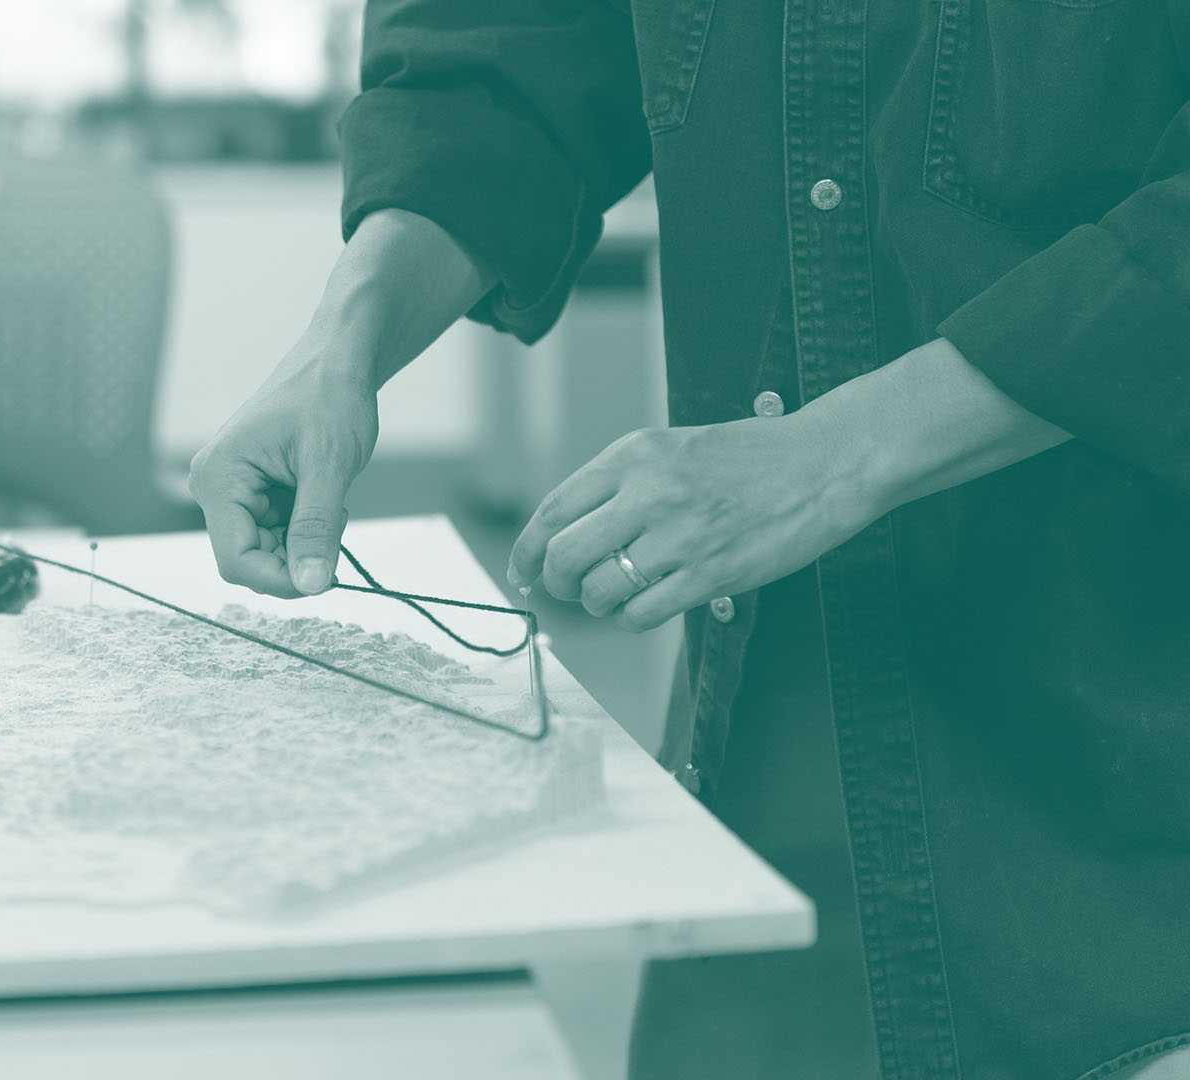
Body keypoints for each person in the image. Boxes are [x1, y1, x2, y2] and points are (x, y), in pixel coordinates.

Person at [185, 2, 1190, 1078]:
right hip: (779, 745)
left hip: (1133, 790)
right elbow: (497, 67)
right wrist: (344, 336)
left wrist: (834, 455)